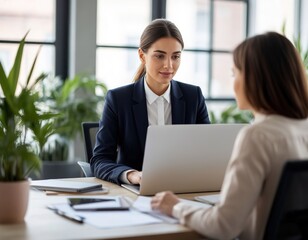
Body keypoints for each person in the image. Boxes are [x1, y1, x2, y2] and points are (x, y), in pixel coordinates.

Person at [151, 31, 308, 240]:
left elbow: (223, 226)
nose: (233, 83)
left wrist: (176, 207)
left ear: (255, 79)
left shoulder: (258, 136)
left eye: (234, 73)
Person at [91, 19, 210, 185]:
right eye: (159, 56)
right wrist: (132, 175)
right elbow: (100, 160)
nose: (169, 65)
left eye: (175, 56)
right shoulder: (119, 100)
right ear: (142, 55)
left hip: (183, 189)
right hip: (137, 193)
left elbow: (207, 153)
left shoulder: (193, 97)